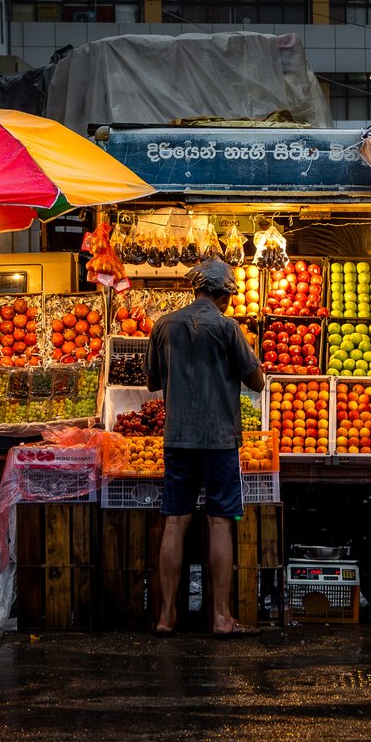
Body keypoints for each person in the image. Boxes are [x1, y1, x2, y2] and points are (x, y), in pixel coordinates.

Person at [145, 258, 265, 636]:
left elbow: (151, 382)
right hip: (219, 439)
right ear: (225, 294)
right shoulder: (228, 327)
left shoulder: (164, 325)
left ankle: (166, 617)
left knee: (175, 522)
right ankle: (221, 618)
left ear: (194, 289)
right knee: (219, 522)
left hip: (178, 436)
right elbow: (257, 382)